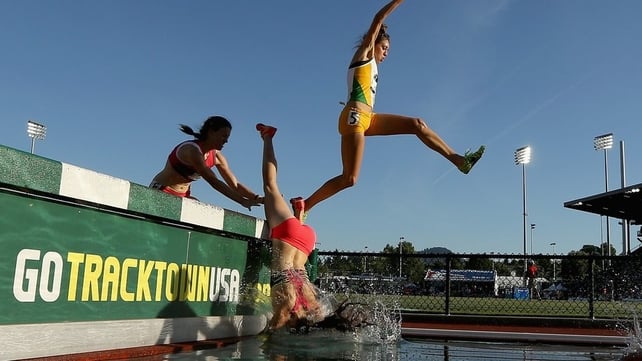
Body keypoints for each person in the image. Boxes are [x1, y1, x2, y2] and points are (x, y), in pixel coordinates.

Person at [290, 0, 485, 220]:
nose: (387, 53)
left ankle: (460, 161)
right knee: (350, 178)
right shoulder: (363, 55)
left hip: (368, 118)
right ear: (372, 43)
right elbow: (378, 20)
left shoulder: (374, 68)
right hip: (354, 117)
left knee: (417, 125)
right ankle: (305, 204)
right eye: (384, 47)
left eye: (388, 50)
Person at [256, 123, 326, 331]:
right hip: (295, 237)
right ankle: (267, 137)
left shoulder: (310, 307)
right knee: (270, 186)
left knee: (271, 186)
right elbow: (273, 331)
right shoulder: (291, 308)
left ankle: (300, 213)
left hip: (305, 239)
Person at [150, 115, 262, 211]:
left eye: (227, 137)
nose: (226, 141)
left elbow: (235, 184)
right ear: (211, 132)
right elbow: (214, 181)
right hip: (162, 190)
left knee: (200, 211)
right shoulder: (192, 150)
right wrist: (242, 201)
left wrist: (256, 198)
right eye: (223, 136)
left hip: (184, 195)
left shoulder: (217, 156)